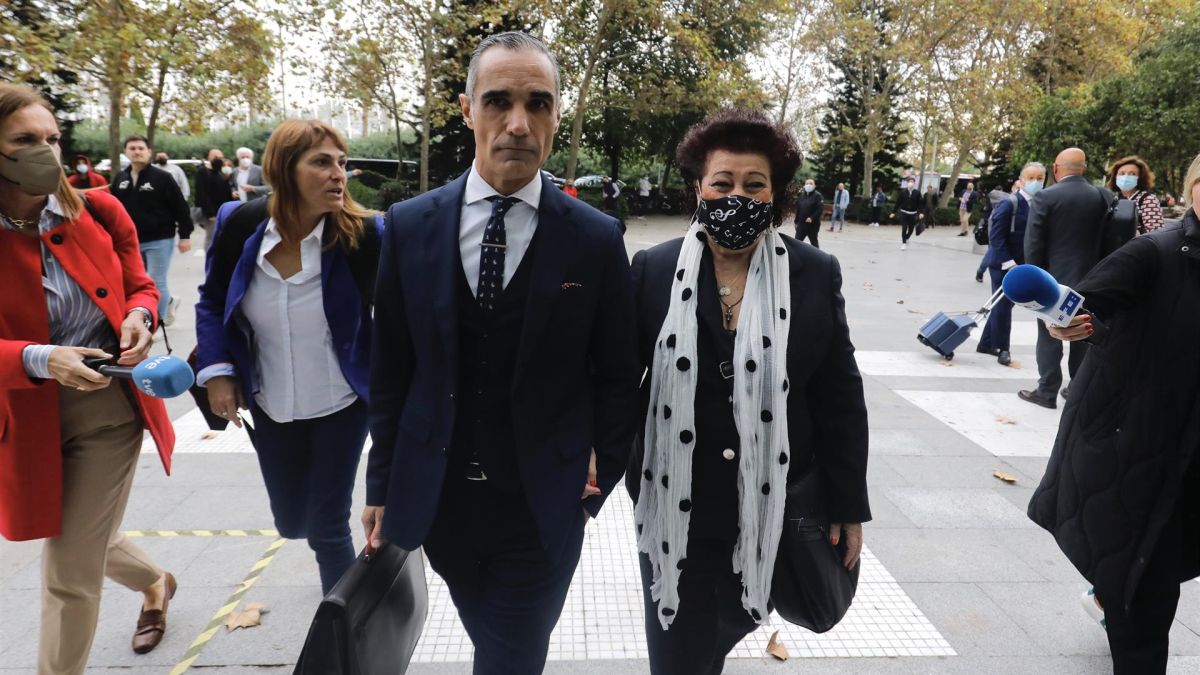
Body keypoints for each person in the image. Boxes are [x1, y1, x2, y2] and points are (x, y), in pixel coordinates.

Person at [361, 32, 640, 674]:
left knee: (510, 655)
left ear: (557, 114)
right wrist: (382, 484)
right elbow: (391, 369)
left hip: (542, 511)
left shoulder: (595, 239)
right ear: (468, 110)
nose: (518, 123)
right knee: (491, 637)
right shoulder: (409, 226)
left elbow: (619, 374)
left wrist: (597, 476)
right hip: (440, 505)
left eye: (538, 103)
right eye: (498, 102)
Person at [629, 108, 869, 674]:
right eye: (722, 182)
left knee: (725, 631)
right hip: (678, 511)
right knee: (679, 656)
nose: (737, 196)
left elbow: (839, 394)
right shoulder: (652, 269)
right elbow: (618, 382)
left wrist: (847, 502)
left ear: (775, 195)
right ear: (699, 188)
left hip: (772, 510)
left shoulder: (815, 272)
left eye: (754, 184)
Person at [0, 82, 177, 674]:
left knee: (68, 570)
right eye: (24, 140)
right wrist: (40, 358)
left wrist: (139, 315)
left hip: (107, 408)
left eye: (52, 138)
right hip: (20, 414)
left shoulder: (98, 210)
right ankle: (156, 581)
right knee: (81, 535)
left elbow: (141, 285)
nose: (45, 151)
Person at [1028, 152, 1200, 675]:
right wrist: (1062, 322)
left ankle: (1107, 593)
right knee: (1147, 599)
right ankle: (1113, 596)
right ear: (1192, 187)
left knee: (1151, 575)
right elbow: (1082, 304)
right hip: (1145, 453)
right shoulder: (1156, 252)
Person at [195, 120, 380, 595]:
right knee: (293, 522)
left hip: (343, 402)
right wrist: (218, 371)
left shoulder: (365, 235)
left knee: (328, 526)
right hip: (269, 402)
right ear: (283, 169)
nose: (338, 174)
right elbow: (212, 300)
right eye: (321, 162)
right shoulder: (240, 224)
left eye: (341, 163)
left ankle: (343, 628)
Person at [1019, 147, 1113, 409]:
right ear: (1084, 168)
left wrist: (1033, 284)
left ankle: (1046, 391)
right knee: (1083, 333)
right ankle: (1077, 389)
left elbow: (1033, 245)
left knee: (1049, 337)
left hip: (1054, 283)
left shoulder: (1046, 197)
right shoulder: (1103, 196)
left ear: (1056, 169)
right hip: (1094, 281)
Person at [109, 134, 192, 327]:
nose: (137, 152)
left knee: (155, 281)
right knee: (138, 282)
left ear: (149, 152)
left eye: (141, 148)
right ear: (125, 152)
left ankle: (156, 324)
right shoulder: (120, 179)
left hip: (160, 239)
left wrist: (185, 236)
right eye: (132, 148)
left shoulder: (162, 178)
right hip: (130, 241)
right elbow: (113, 210)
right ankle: (169, 301)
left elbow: (180, 207)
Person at [977, 163, 1044, 366]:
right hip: (1003, 264)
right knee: (1004, 305)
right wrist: (1009, 263)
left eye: (1039, 178)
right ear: (1021, 180)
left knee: (1003, 304)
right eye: (1031, 178)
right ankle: (1002, 348)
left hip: (1021, 265)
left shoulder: (1039, 204)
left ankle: (986, 343)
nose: (1035, 182)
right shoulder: (1009, 203)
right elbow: (996, 237)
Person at [1106, 155, 1164, 234]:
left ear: (1140, 178)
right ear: (1115, 177)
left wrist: (1133, 233)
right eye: (1122, 173)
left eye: (1132, 174)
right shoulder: (1113, 200)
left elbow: (1156, 232)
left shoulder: (1147, 200)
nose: (1126, 177)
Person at [892, 178, 923, 250]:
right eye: (910, 182)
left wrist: (921, 212)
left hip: (913, 214)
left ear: (914, 183)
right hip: (904, 213)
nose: (911, 183)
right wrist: (893, 212)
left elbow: (920, 204)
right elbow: (898, 203)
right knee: (904, 228)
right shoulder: (903, 192)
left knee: (911, 229)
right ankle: (903, 243)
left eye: (912, 182)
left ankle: (907, 237)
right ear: (907, 183)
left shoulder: (917, 193)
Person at [793, 178, 822, 247]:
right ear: (804, 185)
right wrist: (796, 221)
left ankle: (816, 254)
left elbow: (819, 209)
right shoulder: (802, 195)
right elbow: (798, 209)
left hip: (812, 225)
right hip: (801, 224)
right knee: (796, 242)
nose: (809, 185)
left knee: (814, 243)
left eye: (811, 184)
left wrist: (811, 218)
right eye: (807, 183)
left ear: (814, 186)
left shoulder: (817, 196)